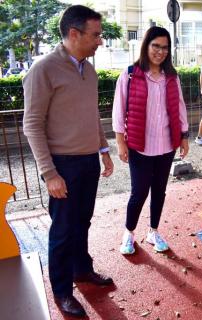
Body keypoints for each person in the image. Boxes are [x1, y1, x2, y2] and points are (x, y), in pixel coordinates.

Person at [22, 5, 114, 318]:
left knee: (82, 222)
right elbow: (32, 124)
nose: (100, 41)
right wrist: (49, 173)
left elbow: (92, 115)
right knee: (62, 230)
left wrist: (103, 151)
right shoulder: (43, 69)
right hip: (61, 164)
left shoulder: (89, 70)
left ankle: (81, 270)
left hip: (88, 160)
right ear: (73, 34)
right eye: (96, 35)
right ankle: (62, 291)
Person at [112, 26, 189, 255]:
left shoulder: (172, 78)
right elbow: (118, 111)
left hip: (166, 145)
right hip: (139, 146)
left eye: (165, 47)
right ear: (146, 46)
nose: (160, 51)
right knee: (139, 192)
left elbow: (180, 108)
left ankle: (153, 231)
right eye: (156, 46)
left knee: (160, 190)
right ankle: (129, 232)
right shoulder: (129, 74)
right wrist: (120, 142)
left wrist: (184, 137)